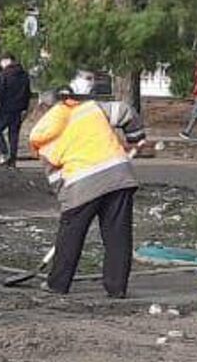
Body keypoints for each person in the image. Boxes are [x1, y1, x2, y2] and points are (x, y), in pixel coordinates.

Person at [29, 74, 147, 297]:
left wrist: (68, 208)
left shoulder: (41, 137)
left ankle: (57, 284)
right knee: (117, 236)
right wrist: (136, 137)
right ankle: (116, 288)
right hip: (118, 176)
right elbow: (125, 110)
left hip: (81, 185)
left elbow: (56, 179)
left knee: (70, 236)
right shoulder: (91, 109)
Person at [0, 53, 31, 168]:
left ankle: (5, 154)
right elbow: (27, 93)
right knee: (14, 135)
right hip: (19, 110)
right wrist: (25, 108)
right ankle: (12, 161)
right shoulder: (24, 74)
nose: (0, 64)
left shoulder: (5, 74)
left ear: (7, 60)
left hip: (6, 108)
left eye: (1, 61)